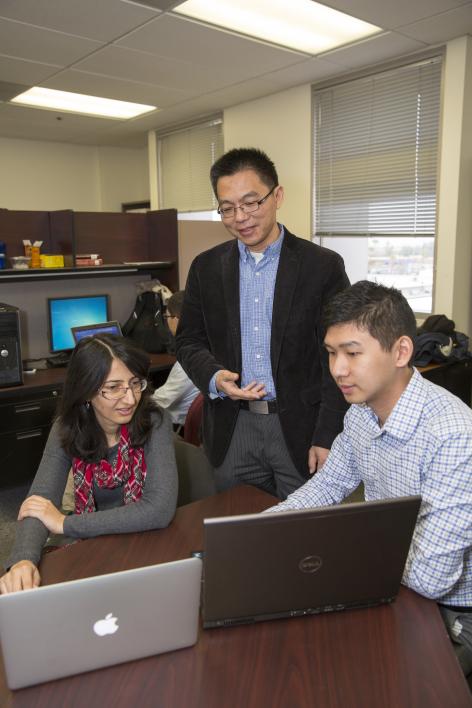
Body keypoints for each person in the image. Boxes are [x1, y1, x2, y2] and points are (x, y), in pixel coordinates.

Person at [266, 280, 472, 658]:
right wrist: (261, 530)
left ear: (401, 351)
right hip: (389, 580)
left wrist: (348, 547)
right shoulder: (362, 412)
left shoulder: (454, 435)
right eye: (331, 353)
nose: (338, 370)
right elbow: (327, 485)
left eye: (352, 353)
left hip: (452, 613)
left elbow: (432, 578)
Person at [176, 147, 349, 499]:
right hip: (231, 425)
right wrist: (214, 377)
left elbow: (338, 356)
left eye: (251, 202)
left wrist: (328, 433)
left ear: (277, 196)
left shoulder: (322, 266)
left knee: (304, 538)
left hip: (300, 429)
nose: (240, 217)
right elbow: (187, 341)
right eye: (227, 208)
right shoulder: (205, 268)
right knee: (238, 536)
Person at [0, 334, 178, 594]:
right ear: (86, 391)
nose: (130, 399)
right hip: (92, 547)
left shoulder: (155, 421)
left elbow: (158, 510)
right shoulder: (66, 428)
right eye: (114, 387)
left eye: (134, 383)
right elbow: (39, 502)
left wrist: (65, 524)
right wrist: (22, 560)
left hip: (146, 542)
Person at [153, 290, 200, 426]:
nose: (166, 322)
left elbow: (161, 401)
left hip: (175, 426)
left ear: (176, 319)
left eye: (166, 316)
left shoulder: (188, 361)